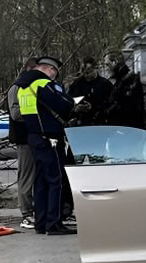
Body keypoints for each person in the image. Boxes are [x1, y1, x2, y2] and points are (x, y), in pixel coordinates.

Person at [14, 56, 76, 235]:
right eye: (54, 71)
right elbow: (63, 104)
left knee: (41, 181)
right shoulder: (42, 83)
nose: (55, 75)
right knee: (56, 180)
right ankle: (54, 223)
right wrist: (71, 102)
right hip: (50, 138)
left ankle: (41, 222)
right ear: (50, 69)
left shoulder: (23, 86)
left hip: (34, 136)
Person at [8, 58, 39, 230]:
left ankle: (33, 210)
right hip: (24, 137)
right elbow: (15, 114)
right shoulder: (17, 87)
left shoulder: (34, 86)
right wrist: (36, 112)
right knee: (26, 176)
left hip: (35, 136)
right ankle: (26, 213)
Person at [103, 53, 146, 130]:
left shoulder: (129, 80)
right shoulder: (120, 81)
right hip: (124, 129)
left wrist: (106, 113)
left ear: (115, 62)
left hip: (129, 129)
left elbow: (123, 106)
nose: (106, 68)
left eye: (107, 65)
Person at [66, 57, 114, 126]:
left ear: (96, 68)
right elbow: (69, 100)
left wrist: (93, 107)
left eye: (88, 72)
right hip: (80, 124)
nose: (86, 75)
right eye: (84, 72)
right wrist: (75, 109)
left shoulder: (105, 85)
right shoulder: (77, 84)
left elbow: (111, 105)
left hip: (99, 124)